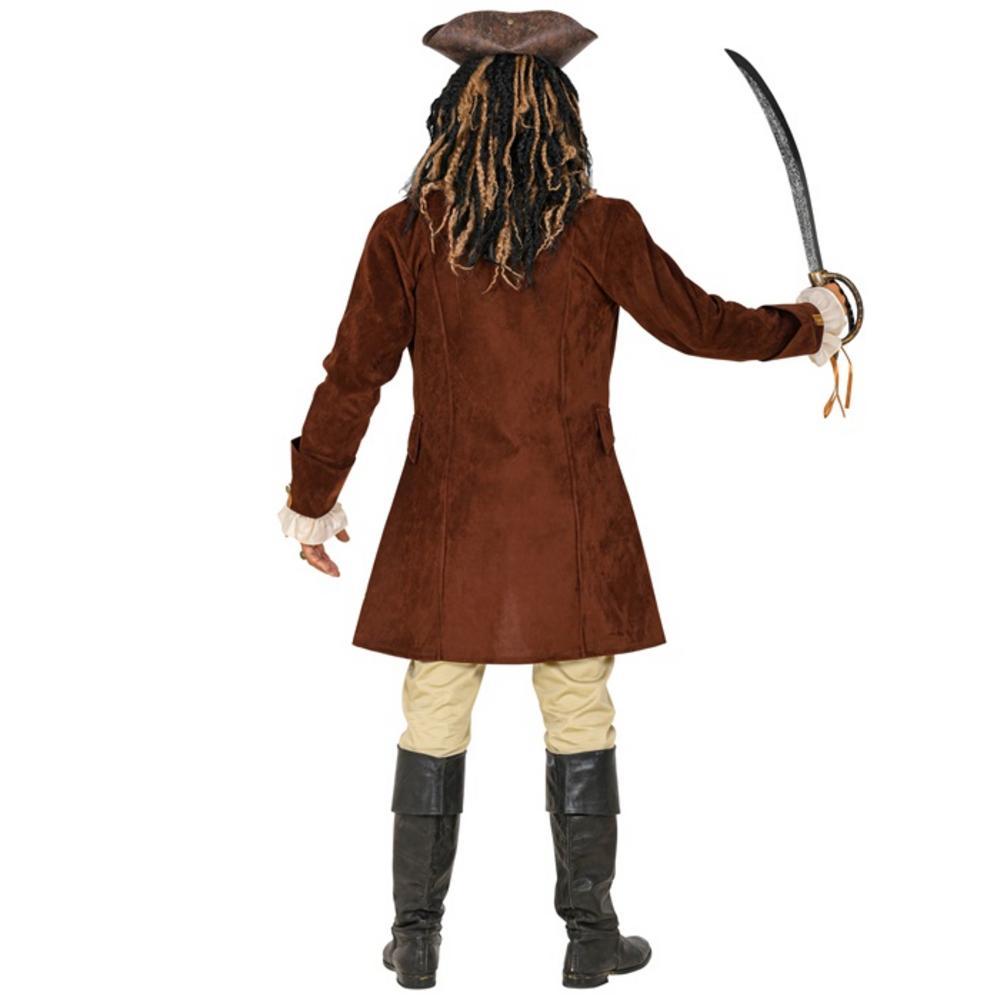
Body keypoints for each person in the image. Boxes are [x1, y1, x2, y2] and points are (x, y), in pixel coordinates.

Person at [277, 11, 849, 990]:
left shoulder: (407, 232)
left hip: (449, 528)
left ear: (452, 116)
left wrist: (311, 496)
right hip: (572, 529)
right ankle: (590, 936)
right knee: (580, 707)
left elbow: (352, 376)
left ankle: (417, 939)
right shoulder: (598, 228)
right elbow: (700, 325)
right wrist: (814, 323)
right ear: (562, 121)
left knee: (433, 710)